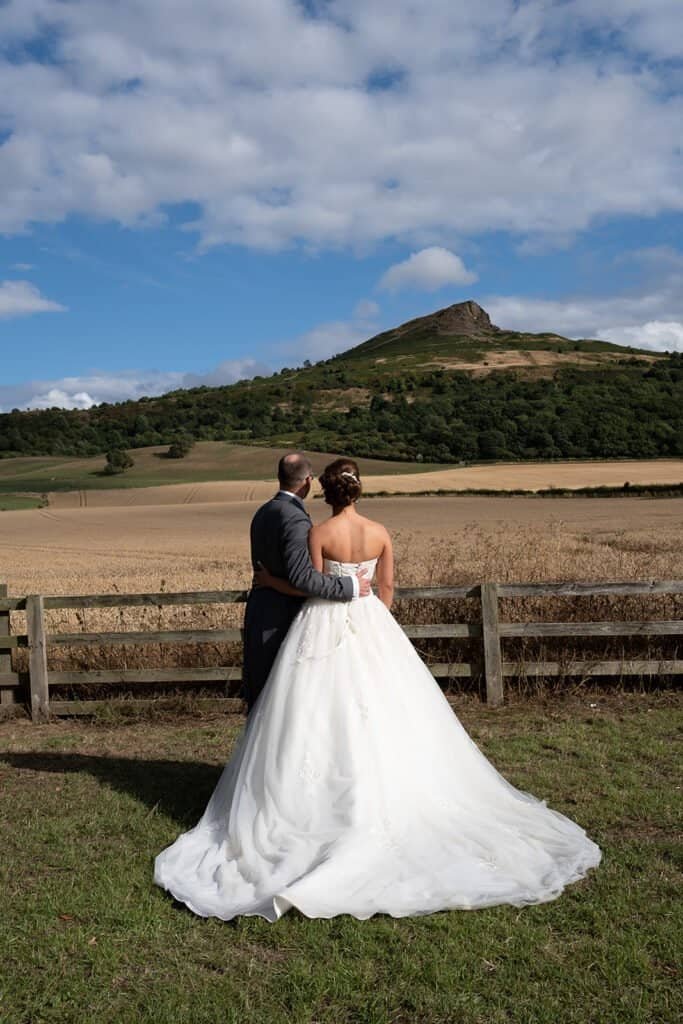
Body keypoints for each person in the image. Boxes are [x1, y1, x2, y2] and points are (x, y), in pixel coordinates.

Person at [154, 457, 601, 921]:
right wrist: (372, 621)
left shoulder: (318, 533)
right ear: (358, 491)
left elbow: (312, 587)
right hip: (372, 622)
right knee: (387, 709)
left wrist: (278, 585)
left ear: (324, 492)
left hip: (323, 625)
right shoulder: (382, 533)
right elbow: (386, 590)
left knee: (316, 712)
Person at [241, 452, 371, 713]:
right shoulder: (295, 517)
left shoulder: (264, 511)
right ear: (308, 481)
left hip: (259, 613)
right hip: (282, 619)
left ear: (280, 478)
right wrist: (349, 586)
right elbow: (302, 577)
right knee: (282, 704)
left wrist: (269, 581)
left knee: (264, 702)